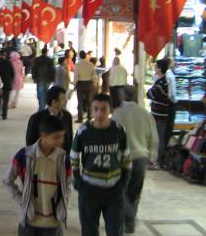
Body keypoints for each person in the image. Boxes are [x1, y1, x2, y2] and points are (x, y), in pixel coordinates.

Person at [71, 94, 132, 236]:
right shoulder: (83, 131)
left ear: (110, 110)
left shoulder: (118, 130)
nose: (99, 113)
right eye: (96, 109)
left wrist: (123, 182)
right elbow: (73, 157)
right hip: (89, 190)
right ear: (91, 110)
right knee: (89, 231)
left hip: (114, 191)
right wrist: (78, 180)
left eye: (104, 109)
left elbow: (126, 159)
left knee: (115, 230)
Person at [3, 115, 70, 236]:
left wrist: (62, 206)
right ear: (43, 136)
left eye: (62, 136)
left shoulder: (64, 160)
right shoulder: (24, 156)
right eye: (56, 137)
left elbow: (67, 186)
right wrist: (22, 201)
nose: (61, 140)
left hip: (53, 224)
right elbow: (7, 180)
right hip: (29, 222)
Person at [112, 88, 158, 234]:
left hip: (123, 158)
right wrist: (152, 156)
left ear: (122, 96)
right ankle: (130, 222)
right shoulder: (146, 114)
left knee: (121, 191)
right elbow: (154, 138)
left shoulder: (117, 113)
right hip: (141, 158)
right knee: (134, 192)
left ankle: (128, 218)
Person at [26, 86, 73, 173]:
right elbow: (30, 142)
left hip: (60, 160)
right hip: (42, 161)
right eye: (63, 98)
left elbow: (69, 138)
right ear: (54, 102)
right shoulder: (36, 118)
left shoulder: (67, 116)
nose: (66, 100)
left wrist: (67, 158)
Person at [147, 59, 171, 168]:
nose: (154, 68)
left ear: (160, 68)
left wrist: (150, 93)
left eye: (156, 66)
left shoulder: (163, 82)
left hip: (160, 115)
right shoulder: (160, 81)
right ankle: (154, 160)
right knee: (156, 137)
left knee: (159, 138)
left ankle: (158, 162)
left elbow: (151, 93)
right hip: (157, 113)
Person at [73, 51, 98, 123]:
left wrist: (74, 84)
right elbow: (94, 75)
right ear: (86, 56)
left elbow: (76, 76)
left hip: (80, 84)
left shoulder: (78, 65)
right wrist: (94, 83)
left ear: (80, 56)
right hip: (89, 84)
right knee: (89, 100)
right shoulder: (90, 64)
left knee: (80, 101)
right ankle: (90, 116)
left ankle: (80, 118)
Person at [0, 50, 14, 120]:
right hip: (7, 83)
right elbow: (12, 73)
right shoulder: (8, 62)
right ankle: (4, 115)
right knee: (5, 100)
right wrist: (11, 80)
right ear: (4, 55)